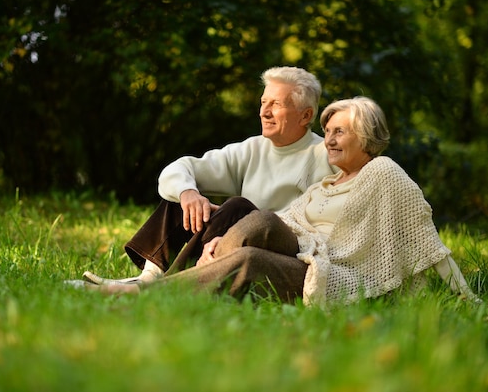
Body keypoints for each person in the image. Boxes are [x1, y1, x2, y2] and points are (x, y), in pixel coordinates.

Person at [84, 96, 479, 306]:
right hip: (303, 254)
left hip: (336, 274)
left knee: (250, 260)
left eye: (341, 131)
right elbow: (278, 221)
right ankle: (195, 279)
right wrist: (223, 239)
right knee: (257, 216)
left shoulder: (384, 172)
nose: (331, 140)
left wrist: (465, 295)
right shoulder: (327, 183)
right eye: (328, 132)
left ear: (367, 137)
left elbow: (425, 238)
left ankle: (144, 295)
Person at [80, 66, 336, 286]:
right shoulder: (251, 149)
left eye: (276, 104)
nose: (264, 112)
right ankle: (150, 277)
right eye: (263, 102)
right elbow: (178, 169)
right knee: (182, 195)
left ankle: (169, 283)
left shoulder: (326, 155)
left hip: (282, 251)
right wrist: (188, 194)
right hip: (235, 241)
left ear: (306, 116)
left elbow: (323, 225)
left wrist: (231, 228)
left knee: (238, 207)